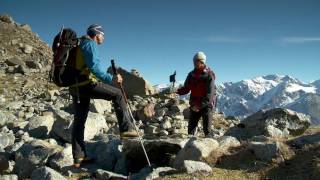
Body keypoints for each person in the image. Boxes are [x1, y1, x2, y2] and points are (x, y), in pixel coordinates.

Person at [69, 24, 138, 168]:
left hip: (75, 87)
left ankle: (78, 158)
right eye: (102, 34)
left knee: (79, 121)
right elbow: (94, 67)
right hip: (86, 85)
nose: (104, 37)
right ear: (96, 34)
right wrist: (112, 79)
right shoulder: (90, 44)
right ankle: (126, 131)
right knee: (118, 94)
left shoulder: (80, 44)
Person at [177, 51, 217, 137]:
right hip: (194, 104)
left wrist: (198, 106)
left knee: (207, 130)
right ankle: (189, 147)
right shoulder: (191, 75)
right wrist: (178, 91)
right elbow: (186, 88)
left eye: (196, 61)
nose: (194, 63)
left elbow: (210, 95)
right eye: (194, 61)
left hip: (206, 105)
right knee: (191, 129)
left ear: (202, 62)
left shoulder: (209, 75)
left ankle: (210, 146)